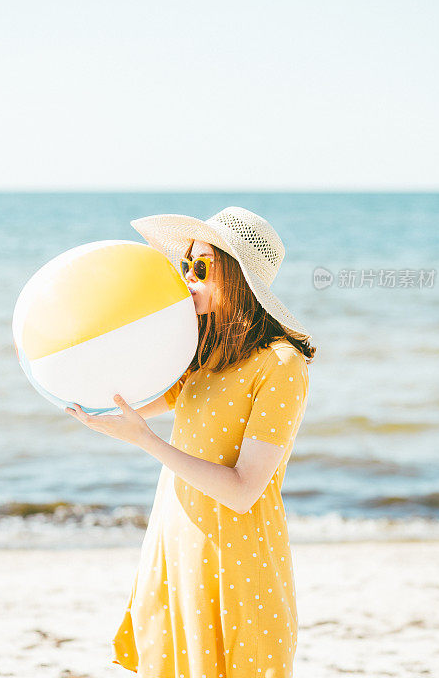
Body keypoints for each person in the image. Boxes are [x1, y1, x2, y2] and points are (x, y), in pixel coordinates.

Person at [64, 205, 316, 678]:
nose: (188, 277)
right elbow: (135, 394)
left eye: (201, 267)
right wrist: (70, 366)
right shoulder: (203, 350)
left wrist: (147, 441)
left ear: (237, 277)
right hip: (176, 543)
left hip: (235, 558)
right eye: (186, 265)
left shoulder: (281, 364)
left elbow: (243, 490)